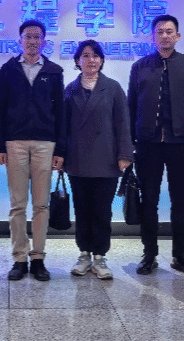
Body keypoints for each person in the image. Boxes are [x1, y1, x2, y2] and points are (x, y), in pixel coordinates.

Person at [128, 14, 184, 277]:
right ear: (153, 37)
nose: (164, 36)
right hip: (147, 144)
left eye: (169, 31)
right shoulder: (140, 67)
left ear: (177, 36)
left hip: (180, 143)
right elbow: (131, 106)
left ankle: (180, 255)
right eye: (159, 32)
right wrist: (130, 142)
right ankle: (149, 254)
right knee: (148, 200)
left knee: (180, 200)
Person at [0, 19, 66, 281]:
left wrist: (61, 149)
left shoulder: (54, 71)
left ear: (44, 41)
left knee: (41, 205)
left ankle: (38, 258)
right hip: (14, 142)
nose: (33, 41)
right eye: (28, 36)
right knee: (17, 205)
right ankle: (19, 258)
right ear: (20, 40)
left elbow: (61, 112)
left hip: (45, 144)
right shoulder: (8, 70)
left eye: (37, 37)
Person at [64, 40, 133, 280]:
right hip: (77, 160)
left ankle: (100, 256)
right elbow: (63, 127)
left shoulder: (112, 88)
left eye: (95, 55)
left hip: (107, 159)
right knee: (82, 209)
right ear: (77, 61)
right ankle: (84, 254)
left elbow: (123, 124)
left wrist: (125, 154)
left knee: (102, 211)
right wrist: (60, 155)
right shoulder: (70, 90)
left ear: (102, 60)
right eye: (85, 55)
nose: (91, 60)